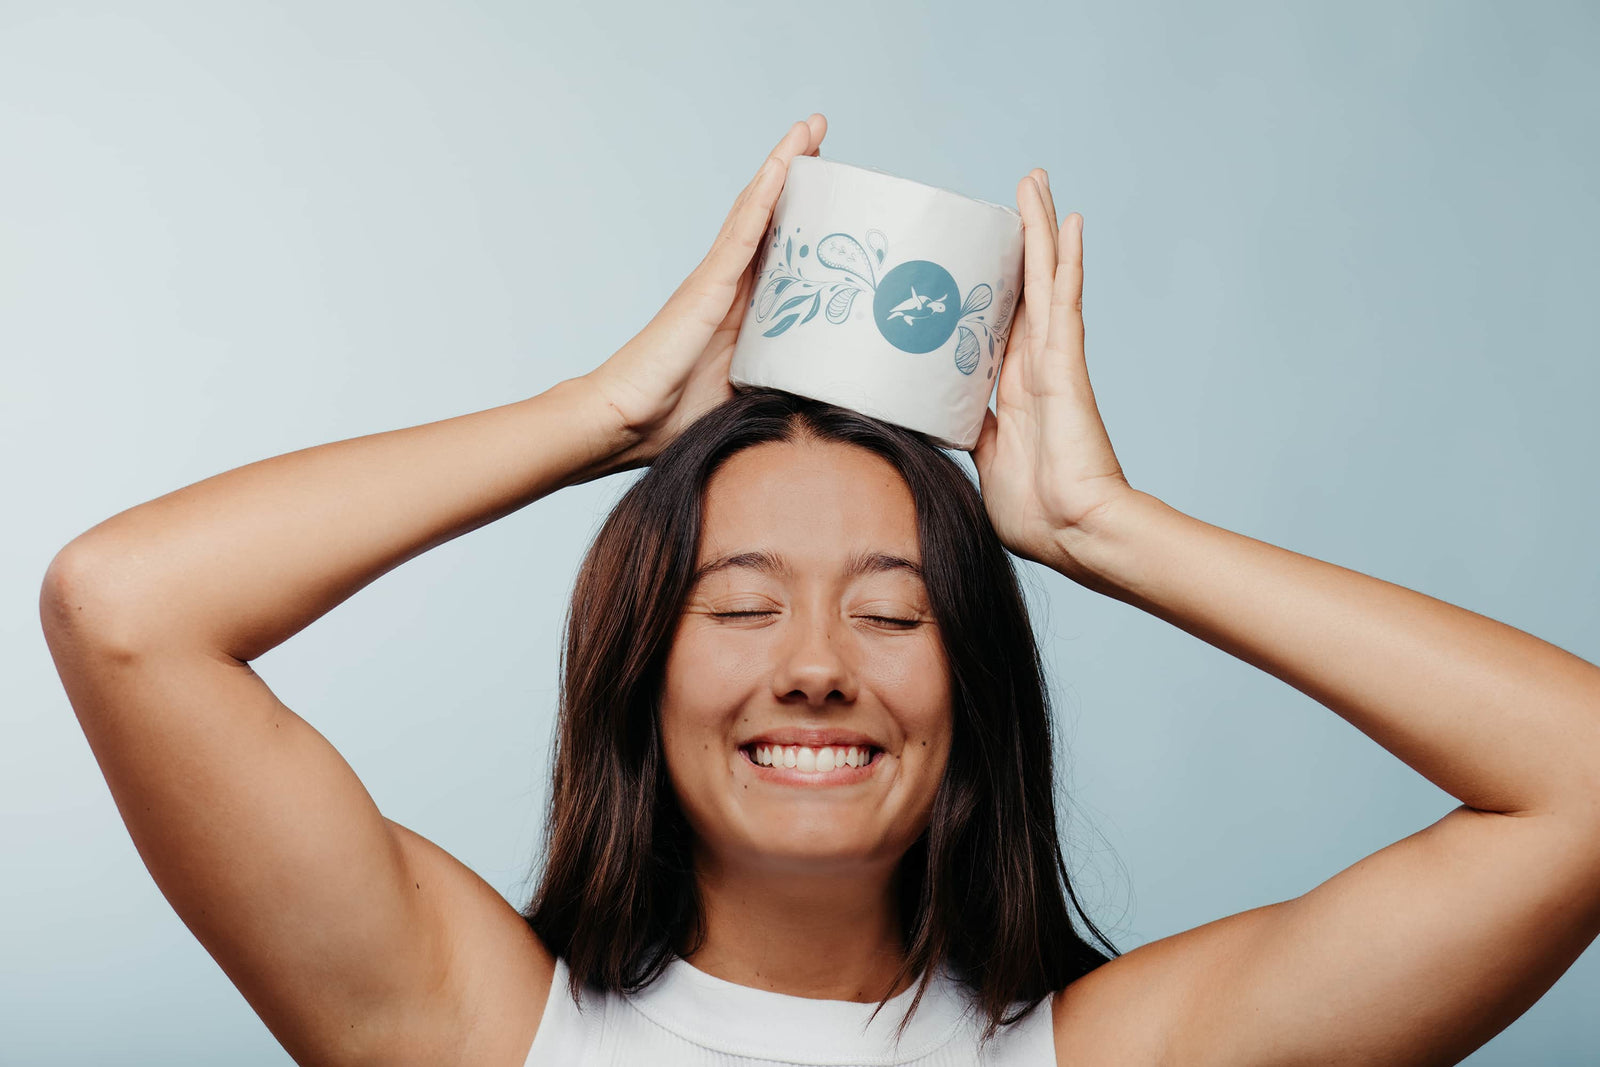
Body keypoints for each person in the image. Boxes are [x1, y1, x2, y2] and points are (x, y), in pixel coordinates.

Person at [39, 113, 1600, 1066]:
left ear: (976, 687)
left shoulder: (1124, 1053)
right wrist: (603, 418)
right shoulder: (473, 1029)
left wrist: (1103, 527)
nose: (815, 664)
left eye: (893, 610)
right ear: (638, 673)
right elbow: (125, 607)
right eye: (739, 604)